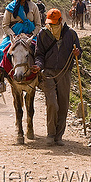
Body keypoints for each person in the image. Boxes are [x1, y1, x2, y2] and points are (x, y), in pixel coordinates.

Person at [31, 9, 82, 146]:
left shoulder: (70, 34)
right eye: (50, 23)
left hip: (64, 72)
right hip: (48, 72)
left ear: (60, 21)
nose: (52, 25)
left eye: (54, 23)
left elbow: (79, 51)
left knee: (63, 104)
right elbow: (39, 54)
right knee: (52, 103)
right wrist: (38, 66)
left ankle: (59, 136)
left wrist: (77, 52)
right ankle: (51, 133)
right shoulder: (43, 34)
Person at [0, 0, 41, 93]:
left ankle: (42, 77)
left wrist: (32, 34)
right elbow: (5, 25)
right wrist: (12, 35)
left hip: (30, 35)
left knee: (41, 51)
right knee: (0, 51)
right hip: (14, 35)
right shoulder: (10, 7)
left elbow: (38, 24)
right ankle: (0, 81)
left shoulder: (33, 6)